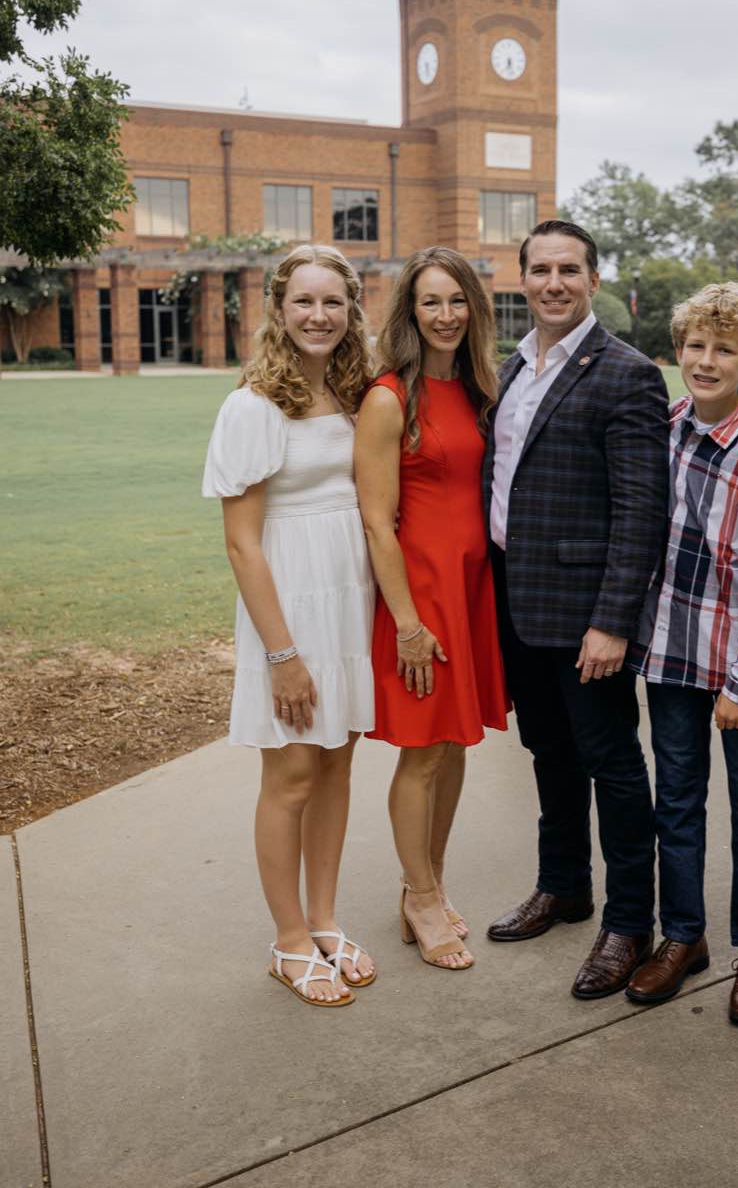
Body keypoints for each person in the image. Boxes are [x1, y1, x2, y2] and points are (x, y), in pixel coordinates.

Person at [484, 218, 670, 1000]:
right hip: (516, 604)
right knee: (547, 756)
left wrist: (612, 621)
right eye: (540, 269)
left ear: (592, 280)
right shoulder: (509, 368)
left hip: (586, 618)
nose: (553, 282)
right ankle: (562, 887)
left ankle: (629, 924)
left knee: (614, 767)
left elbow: (640, 512)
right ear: (520, 279)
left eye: (569, 269)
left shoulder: (625, 373)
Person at [202, 245, 376, 1008]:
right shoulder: (252, 404)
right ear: (278, 309)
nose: (318, 316)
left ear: (351, 309)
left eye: (331, 302)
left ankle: (325, 919)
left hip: (351, 596)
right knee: (294, 772)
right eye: (303, 302)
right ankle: (287, 940)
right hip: (290, 607)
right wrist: (282, 654)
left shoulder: (354, 388)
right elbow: (241, 541)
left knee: (337, 764)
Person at [625, 282, 738, 1025]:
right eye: (695, 346)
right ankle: (683, 936)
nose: (705, 360)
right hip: (670, 655)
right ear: (678, 352)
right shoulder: (663, 426)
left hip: (737, 669)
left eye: (723, 349)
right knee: (678, 803)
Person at [354, 246, 508, 972]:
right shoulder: (389, 398)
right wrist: (408, 626)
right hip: (420, 598)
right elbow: (376, 521)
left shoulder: (478, 387)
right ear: (410, 312)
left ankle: (429, 882)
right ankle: (418, 897)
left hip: (470, 591)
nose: (444, 315)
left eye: (456, 301)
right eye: (430, 302)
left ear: (473, 309)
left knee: (451, 749)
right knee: (421, 754)